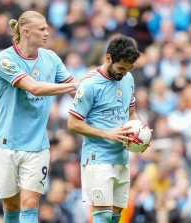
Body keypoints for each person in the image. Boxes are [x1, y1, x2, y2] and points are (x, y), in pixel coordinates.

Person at [0, 11, 77, 223]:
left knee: (30, 204)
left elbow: (76, 91)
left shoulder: (51, 58)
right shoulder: (5, 59)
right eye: (42, 29)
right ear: (26, 32)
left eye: (47, 28)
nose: (48, 33)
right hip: (6, 144)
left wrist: (97, 84)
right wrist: (75, 85)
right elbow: (34, 88)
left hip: (37, 146)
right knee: (11, 207)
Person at [68, 35, 147, 223]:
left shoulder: (128, 79)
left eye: (129, 69)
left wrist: (142, 133)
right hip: (98, 157)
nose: (124, 73)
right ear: (108, 58)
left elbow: (132, 114)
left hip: (121, 157)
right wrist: (108, 134)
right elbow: (72, 123)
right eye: (121, 68)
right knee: (103, 215)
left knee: (116, 217)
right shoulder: (90, 85)